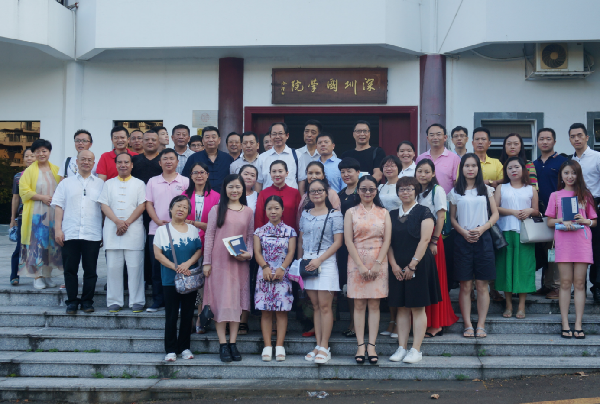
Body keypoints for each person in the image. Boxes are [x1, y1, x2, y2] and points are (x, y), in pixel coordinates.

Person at [387, 176, 442, 363]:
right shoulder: (391, 214)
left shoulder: (424, 212)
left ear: (416, 191)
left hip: (419, 264)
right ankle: (401, 347)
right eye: (402, 189)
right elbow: (388, 243)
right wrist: (394, 266)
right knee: (401, 308)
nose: (405, 192)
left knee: (417, 308)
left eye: (409, 189)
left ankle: (416, 349)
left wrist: (412, 265)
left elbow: (425, 240)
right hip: (397, 266)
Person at [203, 174, 254, 362]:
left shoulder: (248, 211)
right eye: (231, 186)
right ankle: (223, 344)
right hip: (219, 263)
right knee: (221, 302)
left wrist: (249, 254)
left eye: (238, 187)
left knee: (235, 303)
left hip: (239, 263)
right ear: (225, 189)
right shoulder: (216, 210)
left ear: (243, 189)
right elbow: (209, 236)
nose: (235, 190)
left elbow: (250, 237)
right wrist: (206, 262)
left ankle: (233, 343)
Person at [448, 153, 499, 338]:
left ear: (478, 168)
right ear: (461, 169)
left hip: (483, 239)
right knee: (465, 285)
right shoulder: (455, 192)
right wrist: (463, 232)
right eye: (467, 166)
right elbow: (452, 218)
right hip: (462, 240)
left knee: (482, 284)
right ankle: (468, 324)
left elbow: (495, 214)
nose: (470, 169)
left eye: (473, 165)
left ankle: (481, 325)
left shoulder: (486, 190)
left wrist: (483, 228)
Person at [546, 160, 597, 339]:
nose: (570, 176)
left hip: (582, 241)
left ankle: (578, 324)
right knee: (565, 283)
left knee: (580, 283)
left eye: (573, 173)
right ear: (561, 175)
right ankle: (565, 323)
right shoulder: (555, 195)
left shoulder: (585, 195)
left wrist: (585, 221)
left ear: (578, 175)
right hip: (564, 242)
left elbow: (593, 221)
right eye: (566, 172)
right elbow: (549, 221)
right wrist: (562, 220)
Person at [344, 175, 392, 364]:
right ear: (358, 191)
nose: (367, 192)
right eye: (363, 189)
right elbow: (348, 240)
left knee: (374, 305)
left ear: (376, 191)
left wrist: (378, 263)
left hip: (379, 259)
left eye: (371, 189)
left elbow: (387, 240)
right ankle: (360, 345)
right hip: (356, 261)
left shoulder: (384, 212)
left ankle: (371, 345)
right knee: (358, 304)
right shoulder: (351, 212)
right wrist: (360, 265)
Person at [53, 150, 104, 314]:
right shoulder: (65, 183)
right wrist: (58, 229)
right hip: (70, 232)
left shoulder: (101, 184)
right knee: (70, 270)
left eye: (89, 160)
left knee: (90, 271)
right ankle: (72, 302)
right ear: (77, 161)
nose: (86, 162)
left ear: (93, 163)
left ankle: (87, 301)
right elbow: (59, 206)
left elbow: (104, 209)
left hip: (92, 233)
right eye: (83, 159)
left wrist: (103, 231)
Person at [153, 195, 203, 362]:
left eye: (185, 207)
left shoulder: (193, 230)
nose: (181, 209)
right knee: (171, 315)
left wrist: (187, 264)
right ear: (171, 208)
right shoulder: (162, 230)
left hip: (189, 278)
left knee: (188, 314)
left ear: (188, 212)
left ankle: (185, 347)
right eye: (178, 205)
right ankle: (170, 349)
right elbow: (158, 254)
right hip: (170, 279)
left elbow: (198, 250)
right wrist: (176, 267)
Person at [299, 180, 343, 364]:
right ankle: (318, 344)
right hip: (308, 262)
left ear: (326, 193)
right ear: (308, 194)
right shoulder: (305, 214)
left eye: (320, 190)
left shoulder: (335, 215)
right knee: (315, 306)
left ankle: (325, 346)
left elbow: (338, 242)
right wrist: (300, 262)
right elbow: (301, 240)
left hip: (326, 262)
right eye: (312, 191)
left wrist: (319, 260)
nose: (316, 193)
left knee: (325, 306)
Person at [97, 152, 147, 312]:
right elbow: (104, 205)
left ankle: (137, 301)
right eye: (120, 162)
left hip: (134, 231)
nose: (123, 165)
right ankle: (114, 301)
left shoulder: (139, 184)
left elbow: (142, 205)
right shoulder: (108, 184)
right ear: (116, 165)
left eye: (126, 162)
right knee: (113, 267)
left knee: (135, 268)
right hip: (112, 231)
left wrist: (127, 223)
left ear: (132, 165)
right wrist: (118, 222)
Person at [415, 159, 458, 337]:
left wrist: (434, 240)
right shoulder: (415, 190)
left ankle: (437, 322)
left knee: (435, 280)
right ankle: (421, 321)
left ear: (433, 173)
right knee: (421, 281)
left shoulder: (437, 190)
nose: (423, 175)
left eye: (427, 172)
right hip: (416, 238)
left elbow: (441, 217)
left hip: (432, 238)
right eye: (419, 171)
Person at [254, 196, 297, 362]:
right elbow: (257, 252)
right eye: (270, 208)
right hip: (264, 274)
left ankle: (279, 346)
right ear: (265, 211)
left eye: (276, 208)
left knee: (281, 311)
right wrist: (265, 267)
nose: (273, 212)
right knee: (265, 311)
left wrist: (282, 268)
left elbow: (291, 252)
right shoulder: (259, 232)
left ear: (282, 210)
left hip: (282, 273)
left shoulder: (290, 231)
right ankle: (267, 346)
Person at [146, 149, 190, 312]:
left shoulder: (185, 181)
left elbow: (188, 205)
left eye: (172, 158)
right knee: (157, 266)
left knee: (178, 265)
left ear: (177, 162)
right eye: (165, 159)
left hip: (180, 230)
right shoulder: (152, 181)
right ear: (160, 162)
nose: (168, 161)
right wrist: (157, 220)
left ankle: (179, 300)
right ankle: (158, 300)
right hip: (156, 230)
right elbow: (148, 203)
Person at [495, 157, 539, 319]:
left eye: (516, 167)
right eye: (510, 168)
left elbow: (537, 211)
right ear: (506, 172)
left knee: (524, 267)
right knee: (505, 267)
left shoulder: (531, 189)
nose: (513, 170)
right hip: (505, 232)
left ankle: (521, 306)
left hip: (525, 234)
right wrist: (513, 212)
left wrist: (529, 211)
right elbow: (495, 208)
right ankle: (508, 304)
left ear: (523, 169)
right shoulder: (501, 188)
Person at [18, 139, 63, 289]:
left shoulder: (56, 169)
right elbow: (23, 191)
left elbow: (62, 189)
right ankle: (37, 276)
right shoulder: (29, 171)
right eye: (38, 151)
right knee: (37, 244)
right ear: (34, 153)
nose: (41, 154)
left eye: (44, 151)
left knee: (51, 244)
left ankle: (47, 275)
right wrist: (42, 197)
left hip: (53, 213)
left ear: (49, 152)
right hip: (36, 214)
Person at [182, 162, 220, 333]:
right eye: (195, 172)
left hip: (208, 243)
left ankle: (201, 318)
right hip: (186, 243)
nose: (199, 175)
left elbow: (217, 224)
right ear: (190, 175)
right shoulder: (183, 196)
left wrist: (195, 223)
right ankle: (187, 317)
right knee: (188, 281)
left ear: (207, 175)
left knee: (204, 283)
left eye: (202, 172)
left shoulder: (216, 197)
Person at [470, 127, 505, 302]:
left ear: (489, 143)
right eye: (477, 139)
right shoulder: (467, 161)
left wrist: (488, 182)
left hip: (490, 209)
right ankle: (470, 289)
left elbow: (502, 181)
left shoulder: (496, 163)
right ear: (472, 142)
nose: (480, 142)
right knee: (470, 250)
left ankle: (493, 288)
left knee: (490, 250)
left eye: (483, 139)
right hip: (470, 210)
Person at [533, 128, 567, 299]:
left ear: (554, 141)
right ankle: (546, 285)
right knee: (545, 251)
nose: (545, 142)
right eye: (541, 139)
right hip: (539, 214)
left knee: (556, 250)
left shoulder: (563, 162)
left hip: (557, 213)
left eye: (548, 139)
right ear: (537, 142)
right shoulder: (534, 164)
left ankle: (557, 286)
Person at [569, 123, 600, 304]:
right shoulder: (570, 161)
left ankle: (597, 286)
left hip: (595, 204)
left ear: (587, 137)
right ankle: (578, 285)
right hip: (574, 206)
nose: (576, 139)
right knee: (577, 246)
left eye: (580, 135)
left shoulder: (597, 157)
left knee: (596, 248)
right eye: (573, 136)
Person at [132, 130, 163, 289]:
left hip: (158, 210)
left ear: (159, 142)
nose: (150, 142)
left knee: (154, 245)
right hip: (137, 209)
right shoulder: (134, 160)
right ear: (142, 142)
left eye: (153, 139)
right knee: (139, 244)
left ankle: (153, 278)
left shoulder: (162, 160)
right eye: (147, 139)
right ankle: (140, 278)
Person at [337, 158, 362, 338]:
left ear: (358, 172)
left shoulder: (363, 192)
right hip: (344, 245)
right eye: (343, 171)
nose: (346, 174)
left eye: (349, 171)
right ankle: (353, 323)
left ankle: (357, 324)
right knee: (349, 284)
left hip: (361, 243)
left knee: (358, 284)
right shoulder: (339, 194)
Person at [9, 148, 35, 286]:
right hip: (22, 216)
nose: (29, 158)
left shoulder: (42, 175)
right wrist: (12, 218)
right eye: (27, 156)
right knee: (20, 246)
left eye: (32, 156)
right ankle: (14, 275)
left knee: (39, 247)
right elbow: (15, 198)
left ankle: (39, 276)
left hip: (38, 215)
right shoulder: (18, 176)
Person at [182, 126, 234, 192]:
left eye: (213, 137)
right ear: (202, 140)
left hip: (223, 196)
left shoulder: (228, 158)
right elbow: (185, 179)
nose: (210, 140)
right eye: (207, 137)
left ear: (219, 140)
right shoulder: (193, 158)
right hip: (200, 195)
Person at [255, 160, 302, 232]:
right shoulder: (263, 193)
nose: (277, 174)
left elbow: (299, 217)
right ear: (270, 174)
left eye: (280, 171)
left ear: (286, 173)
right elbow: (259, 218)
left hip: (291, 235)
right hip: (268, 235)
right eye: (274, 171)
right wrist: (259, 235)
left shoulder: (295, 193)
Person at [415, 124, 461, 194]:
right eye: (432, 135)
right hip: (423, 198)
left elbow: (457, 183)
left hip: (447, 199)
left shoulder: (454, 158)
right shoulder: (420, 158)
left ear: (445, 137)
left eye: (438, 134)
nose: (435, 137)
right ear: (427, 138)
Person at [256, 123, 299, 191]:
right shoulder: (262, 158)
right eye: (274, 134)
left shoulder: (297, 155)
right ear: (270, 136)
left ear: (287, 135)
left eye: (280, 133)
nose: (277, 137)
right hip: (269, 197)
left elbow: (301, 180)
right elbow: (258, 182)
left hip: (291, 196)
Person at [297, 161, 341, 226]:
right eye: (310, 173)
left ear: (323, 176)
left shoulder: (331, 194)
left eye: (317, 173)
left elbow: (337, 219)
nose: (313, 176)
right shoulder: (305, 196)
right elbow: (300, 219)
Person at [297, 120, 322, 195]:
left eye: (313, 132)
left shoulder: (326, 153)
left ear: (319, 135)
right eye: (306, 132)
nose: (309, 135)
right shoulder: (297, 153)